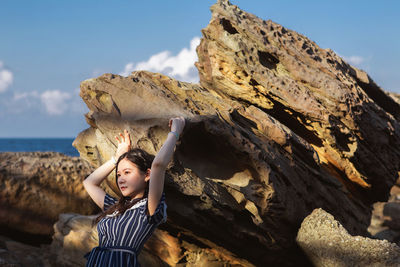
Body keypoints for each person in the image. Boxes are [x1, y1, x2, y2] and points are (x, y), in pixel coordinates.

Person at [82, 116, 185, 267]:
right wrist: (116, 158)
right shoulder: (115, 207)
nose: (121, 179)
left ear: (147, 175)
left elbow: (158, 165)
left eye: (127, 172)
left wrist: (175, 132)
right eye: (118, 175)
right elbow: (90, 183)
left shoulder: (149, 208)